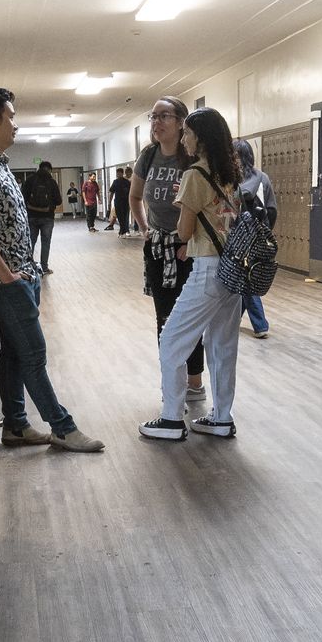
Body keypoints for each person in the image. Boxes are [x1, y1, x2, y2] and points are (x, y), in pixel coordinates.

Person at [0, 89, 104, 453]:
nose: (15, 124)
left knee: (13, 352)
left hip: (22, 277)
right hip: (5, 283)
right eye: (10, 117)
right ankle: (63, 427)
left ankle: (16, 425)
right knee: (34, 353)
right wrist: (8, 275)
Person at [140, 107, 245, 441]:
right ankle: (222, 417)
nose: (183, 137)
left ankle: (171, 419)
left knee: (171, 340)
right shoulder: (229, 172)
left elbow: (184, 232)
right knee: (222, 346)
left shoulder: (195, 175)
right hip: (232, 270)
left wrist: (183, 207)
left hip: (208, 273)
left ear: (199, 138)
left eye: (187, 132)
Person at [133, 99, 207, 413]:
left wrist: (190, 240)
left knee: (188, 319)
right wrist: (144, 228)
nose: (156, 122)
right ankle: (172, 382)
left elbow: (205, 201)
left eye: (164, 116)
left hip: (188, 249)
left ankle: (194, 383)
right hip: (158, 248)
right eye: (154, 116)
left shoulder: (190, 156)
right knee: (164, 318)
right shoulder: (148, 156)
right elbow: (135, 196)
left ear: (180, 122)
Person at [235, 139, 275, 339]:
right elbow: (272, 210)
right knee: (246, 276)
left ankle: (260, 324)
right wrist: (266, 232)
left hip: (238, 236)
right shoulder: (263, 178)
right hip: (259, 234)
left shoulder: (232, 180)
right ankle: (235, 320)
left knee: (245, 279)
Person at [21, 161, 62, 275]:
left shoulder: (30, 180)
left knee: (31, 242)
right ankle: (44, 267)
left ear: (39, 168)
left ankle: (28, 267)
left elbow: (22, 197)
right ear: (49, 169)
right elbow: (59, 201)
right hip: (47, 217)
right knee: (45, 243)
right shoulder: (52, 182)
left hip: (32, 217)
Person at [107, 167, 132, 234]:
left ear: (122, 173)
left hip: (125, 202)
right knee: (119, 217)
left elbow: (130, 193)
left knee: (125, 216)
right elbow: (112, 192)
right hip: (117, 202)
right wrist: (109, 202)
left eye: (119, 173)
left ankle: (124, 231)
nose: (118, 175)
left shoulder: (127, 182)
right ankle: (122, 229)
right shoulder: (115, 182)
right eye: (117, 173)